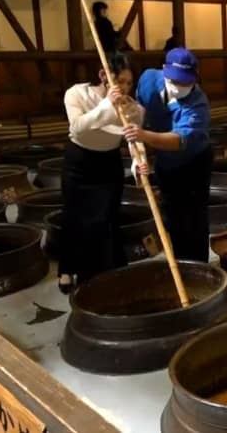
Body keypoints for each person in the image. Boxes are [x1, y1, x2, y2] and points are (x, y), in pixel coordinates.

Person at [60, 53, 147, 293]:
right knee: (74, 217)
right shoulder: (77, 94)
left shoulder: (133, 109)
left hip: (108, 164)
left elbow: (134, 141)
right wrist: (107, 104)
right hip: (79, 163)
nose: (125, 87)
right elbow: (77, 127)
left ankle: (102, 275)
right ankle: (67, 268)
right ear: (103, 75)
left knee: (105, 219)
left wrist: (138, 164)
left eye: (129, 83)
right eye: (120, 81)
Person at [123, 48, 212, 262]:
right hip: (165, 162)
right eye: (174, 81)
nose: (179, 86)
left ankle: (198, 265)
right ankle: (181, 262)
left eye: (185, 82)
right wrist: (138, 156)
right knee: (173, 216)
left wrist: (143, 135)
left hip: (194, 164)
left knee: (194, 220)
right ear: (164, 70)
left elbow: (178, 140)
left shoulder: (198, 103)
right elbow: (137, 116)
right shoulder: (148, 80)